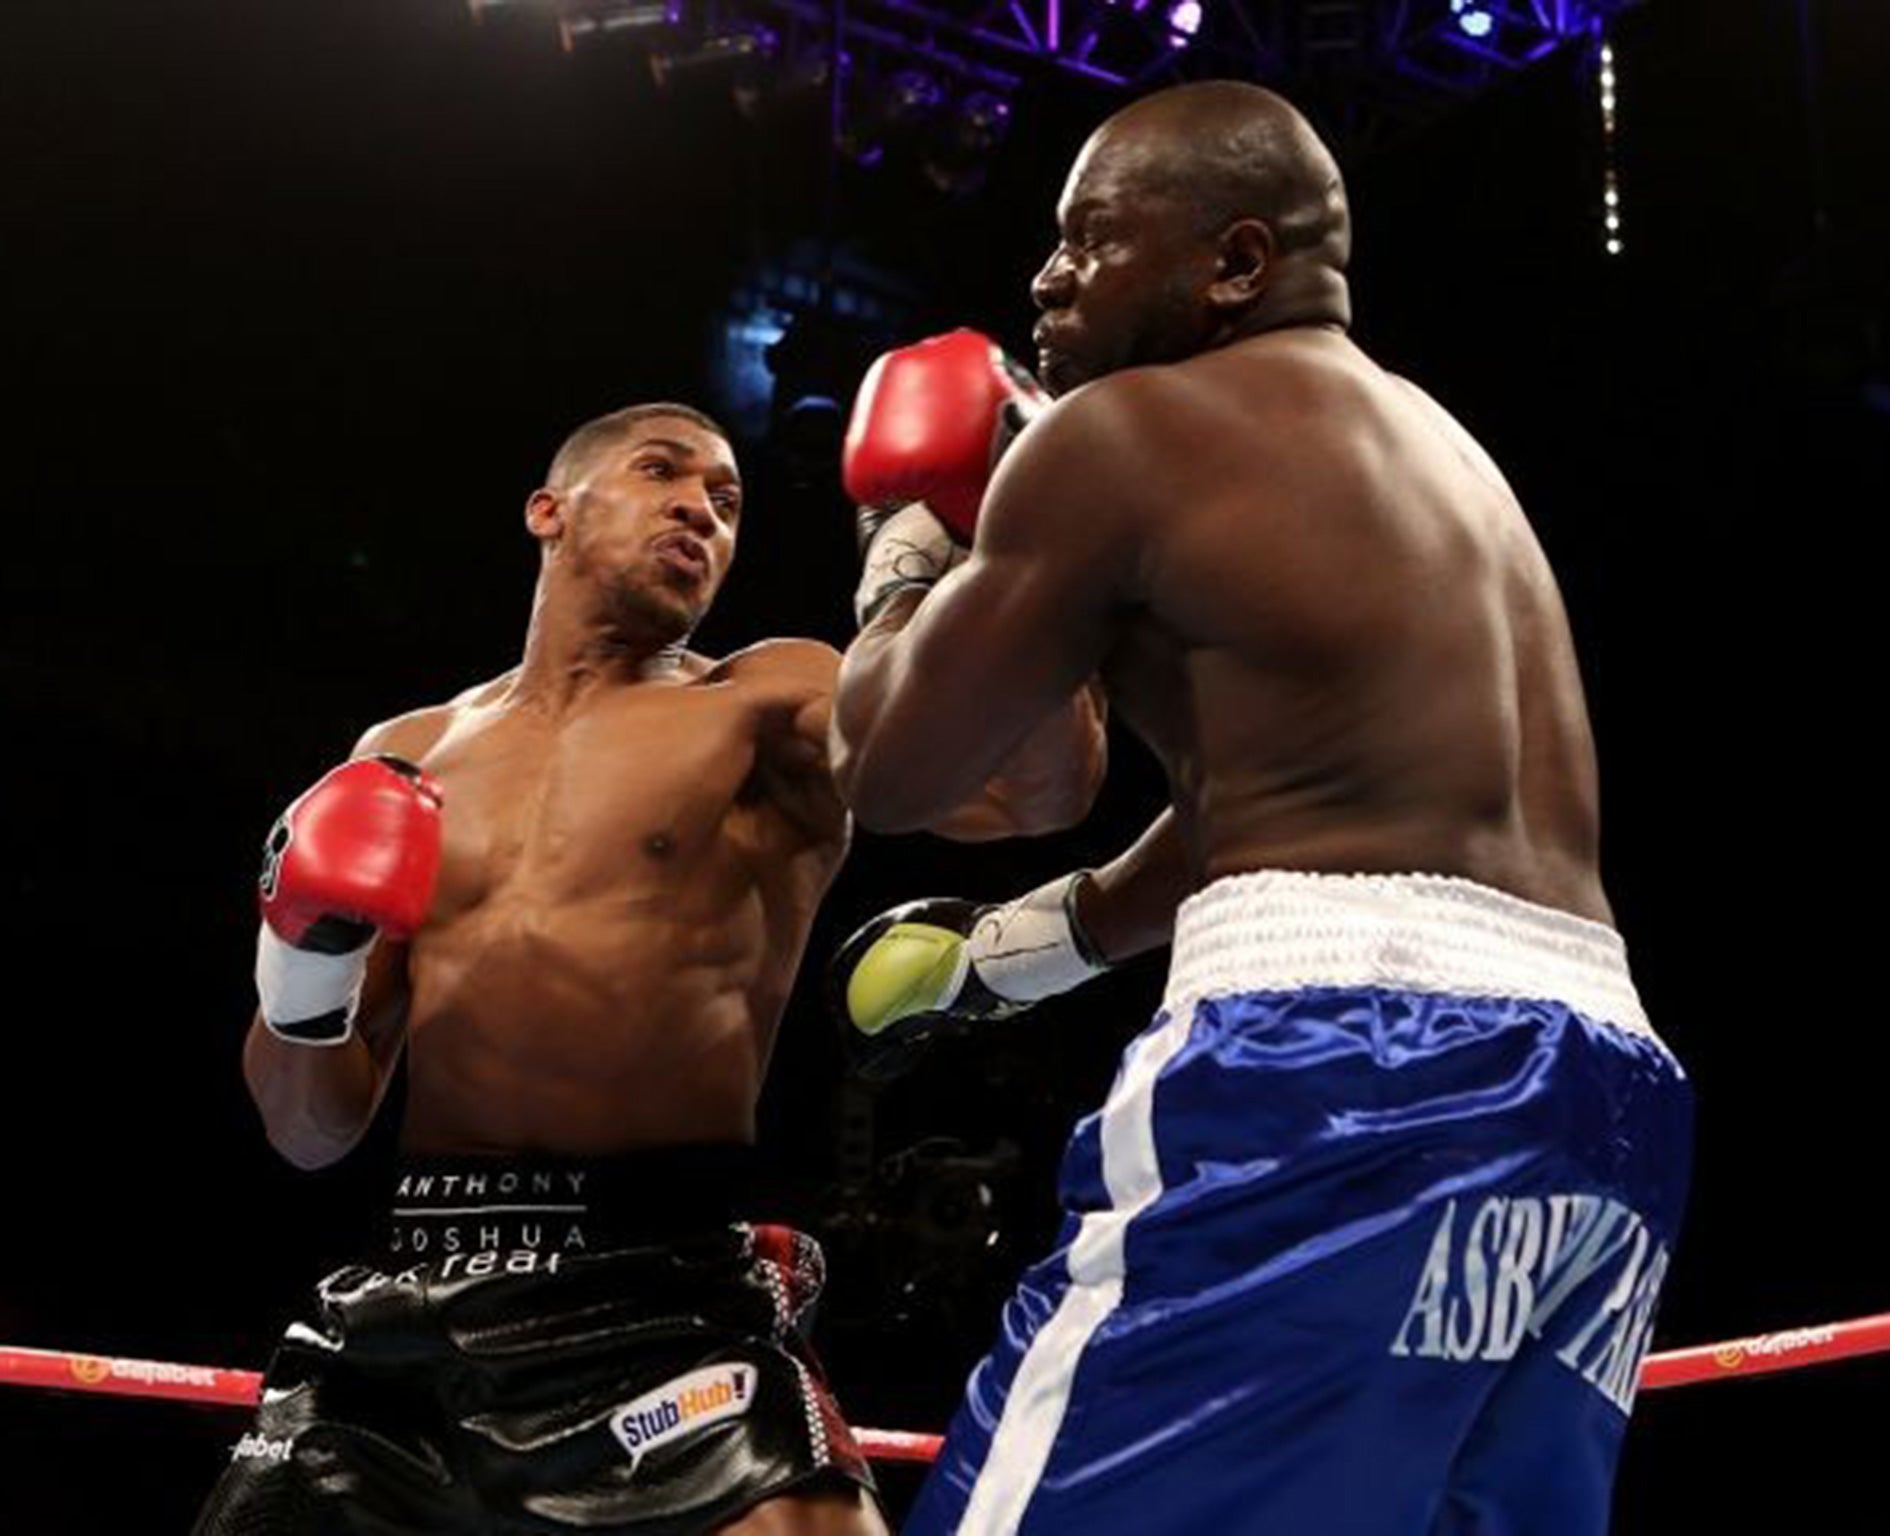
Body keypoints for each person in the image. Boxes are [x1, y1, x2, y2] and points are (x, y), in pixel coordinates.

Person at [827, 82, 1694, 1535]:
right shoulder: (1440, 460)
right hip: (1605, 1104)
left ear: (1234, 263)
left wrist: (903, 540)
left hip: (1342, 1069)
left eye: (1090, 239)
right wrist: (1028, 950)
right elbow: (1279, 813)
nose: (1045, 277)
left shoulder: (1124, 436)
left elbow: (895, 767)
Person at [194, 402, 1100, 1535]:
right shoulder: (405, 758)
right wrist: (302, 963)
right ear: (549, 512)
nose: (699, 510)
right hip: (408, 1313)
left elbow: (1038, 791)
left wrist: (1012, 547)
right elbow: (309, 1130)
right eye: (663, 473)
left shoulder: (767, 700)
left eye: (726, 502)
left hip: (659, 1295)